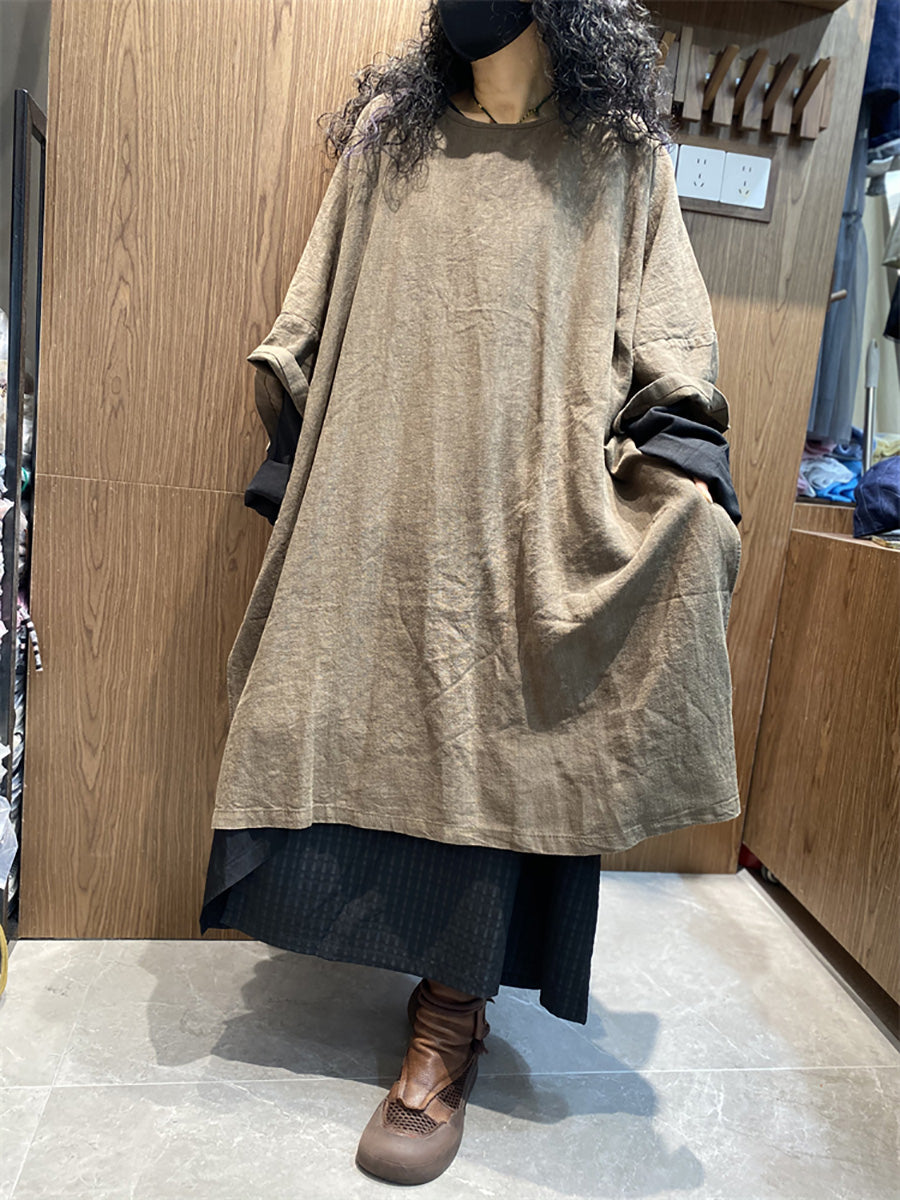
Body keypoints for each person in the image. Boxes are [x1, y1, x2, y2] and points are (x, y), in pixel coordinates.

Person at [200, 0, 743, 1186]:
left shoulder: (620, 161)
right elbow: (310, 321)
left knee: (502, 740)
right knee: (362, 718)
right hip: (385, 502)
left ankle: (448, 1024)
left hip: (534, 515)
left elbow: (672, 344)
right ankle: (400, 970)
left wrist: (675, 490)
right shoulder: (390, 146)